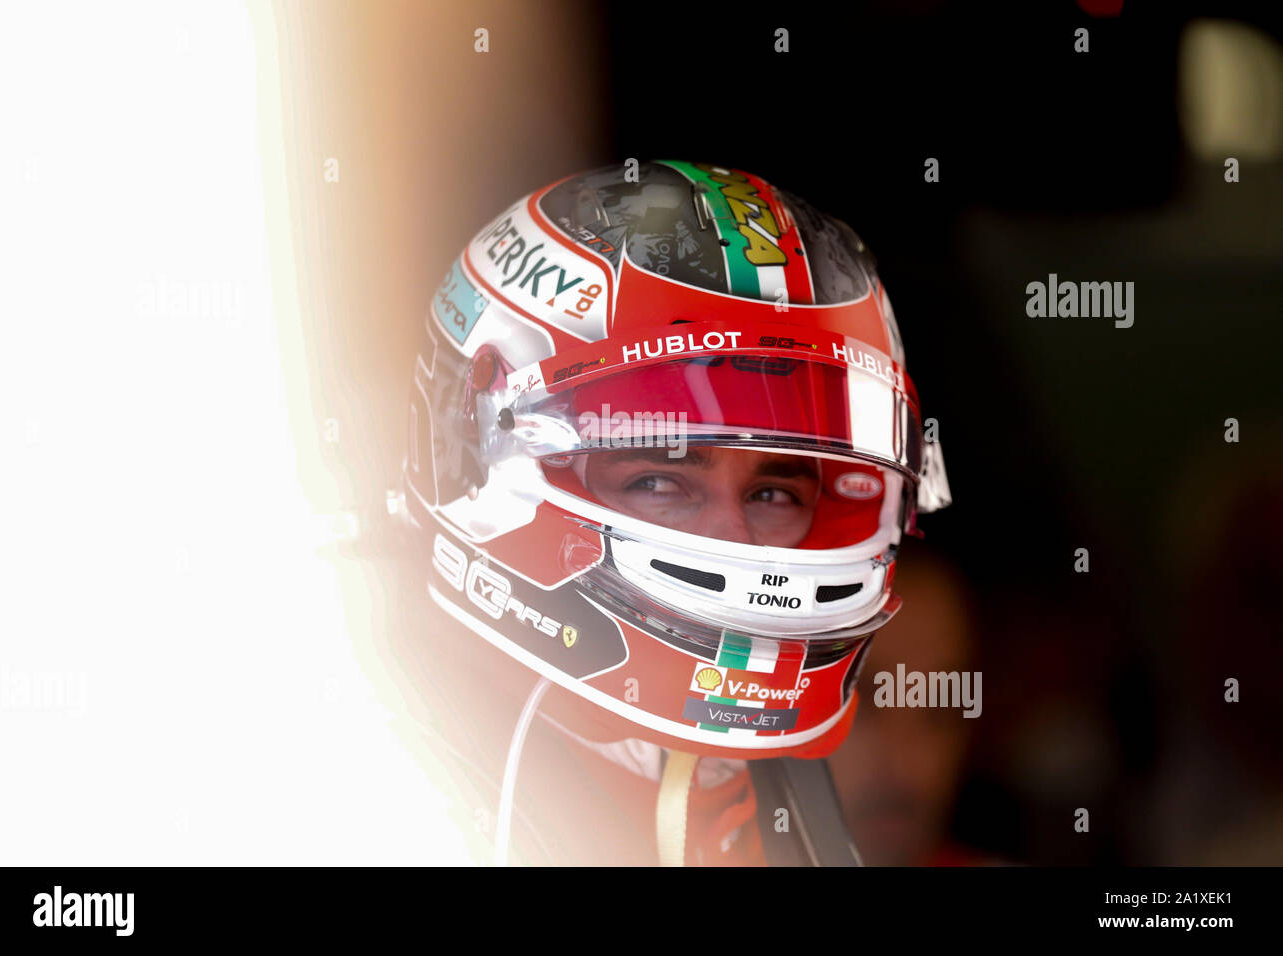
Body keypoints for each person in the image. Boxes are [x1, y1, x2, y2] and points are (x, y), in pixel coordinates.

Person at [398, 160, 951, 865]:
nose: (735, 540)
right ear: (477, 462)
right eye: (659, 482)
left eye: (773, 494)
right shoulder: (366, 779)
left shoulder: (777, 793)